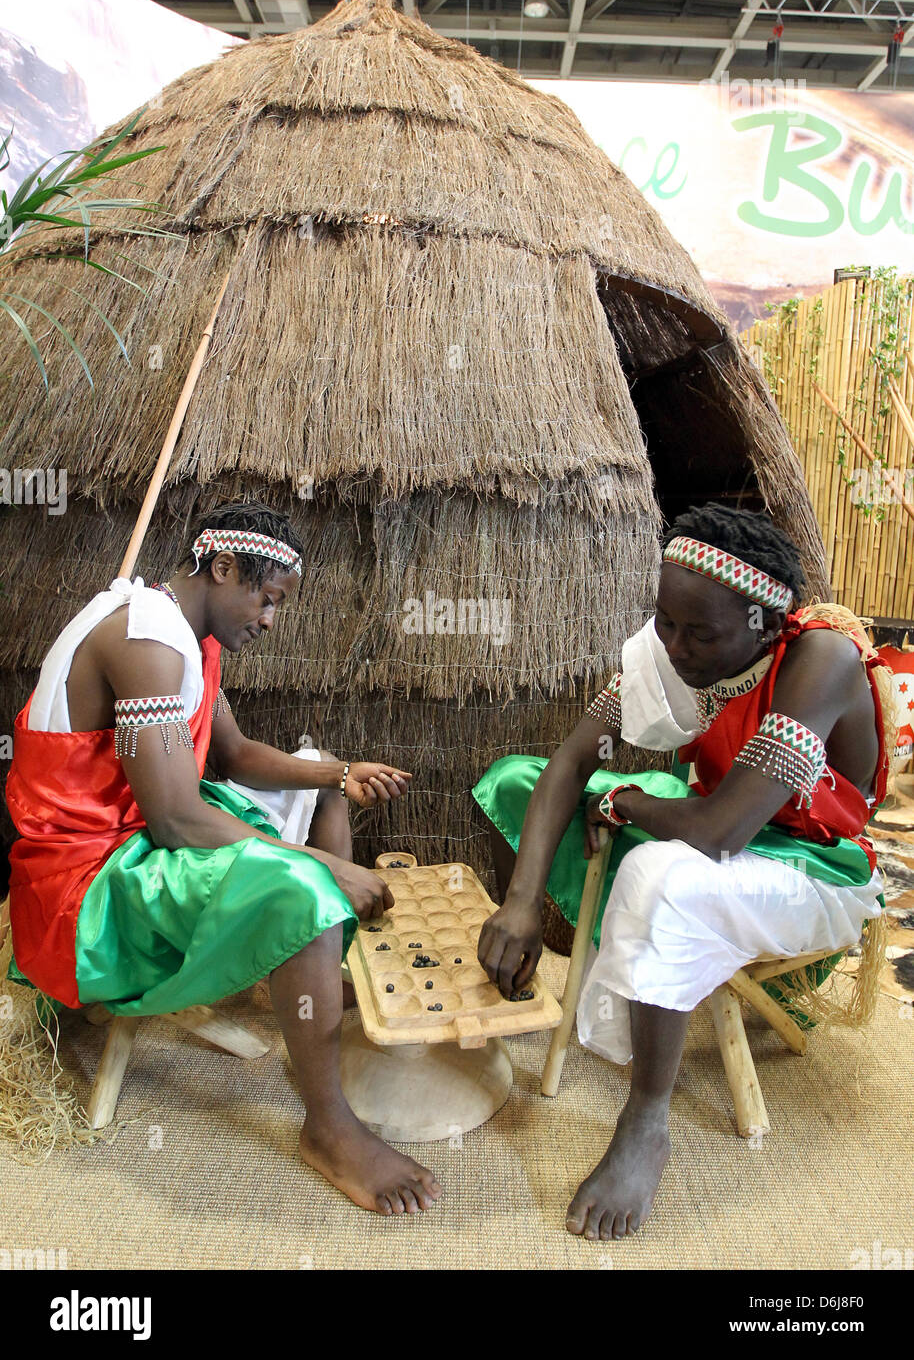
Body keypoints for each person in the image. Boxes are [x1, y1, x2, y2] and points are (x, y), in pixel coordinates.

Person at [5, 499, 441, 1216]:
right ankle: (329, 1128)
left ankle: (305, 987)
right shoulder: (147, 642)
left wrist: (340, 773)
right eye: (267, 599)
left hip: (136, 831)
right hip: (85, 888)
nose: (270, 620)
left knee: (326, 791)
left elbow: (233, 756)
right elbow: (176, 819)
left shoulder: (183, 634)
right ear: (224, 567)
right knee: (303, 887)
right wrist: (326, 868)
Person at [473, 503, 891, 1241]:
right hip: (709, 818)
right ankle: (574, 955)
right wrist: (521, 902)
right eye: (665, 622)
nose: (674, 647)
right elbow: (573, 760)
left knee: (659, 875)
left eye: (699, 633)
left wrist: (626, 802)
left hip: (807, 862)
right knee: (519, 778)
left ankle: (646, 1119)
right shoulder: (672, 650)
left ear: (765, 624)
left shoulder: (821, 662)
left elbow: (720, 832)